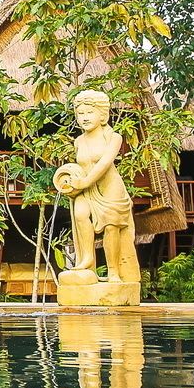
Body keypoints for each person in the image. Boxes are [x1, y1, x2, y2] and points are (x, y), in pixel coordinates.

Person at [53, 88, 139, 289]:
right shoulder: (79, 141)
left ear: (102, 115)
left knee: (111, 228)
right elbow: (80, 167)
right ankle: (87, 260)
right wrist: (71, 181)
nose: (84, 118)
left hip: (110, 190)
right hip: (86, 190)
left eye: (89, 113)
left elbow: (104, 164)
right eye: (80, 114)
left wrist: (84, 182)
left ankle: (114, 271)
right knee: (80, 213)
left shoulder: (113, 137)